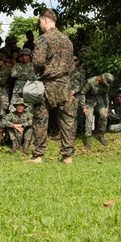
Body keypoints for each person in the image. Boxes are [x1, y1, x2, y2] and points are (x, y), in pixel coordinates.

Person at [28, 9, 77, 164]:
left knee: (40, 119)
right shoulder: (67, 40)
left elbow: (38, 62)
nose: (40, 24)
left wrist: (39, 72)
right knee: (67, 120)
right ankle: (67, 156)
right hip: (64, 84)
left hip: (47, 84)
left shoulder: (44, 39)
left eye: (40, 21)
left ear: (45, 20)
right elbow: (71, 65)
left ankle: (38, 155)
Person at [81, 73, 114, 146]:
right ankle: (88, 139)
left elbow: (105, 95)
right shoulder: (91, 82)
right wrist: (83, 107)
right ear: (101, 78)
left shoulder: (106, 85)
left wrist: (107, 106)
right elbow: (83, 93)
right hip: (90, 102)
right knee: (89, 119)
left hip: (100, 102)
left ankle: (101, 135)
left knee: (104, 116)